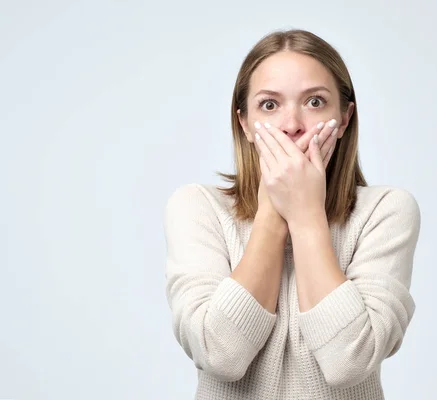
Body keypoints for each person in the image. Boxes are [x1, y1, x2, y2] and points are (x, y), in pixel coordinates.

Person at [163, 29, 421, 400]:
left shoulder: (386, 211)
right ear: (245, 124)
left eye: (315, 102)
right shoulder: (196, 207)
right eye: (269, 105)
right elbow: (220, 355)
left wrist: (305, 216)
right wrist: (271, 211)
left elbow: (348, 361)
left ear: (345, 118)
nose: (292, 124)